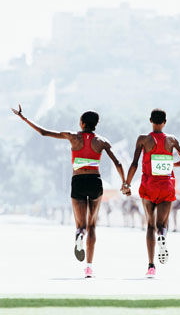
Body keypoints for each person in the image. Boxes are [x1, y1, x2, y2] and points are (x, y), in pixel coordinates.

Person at [11, 105, 125, 278]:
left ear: (82, 123)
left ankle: (79, 233)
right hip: (95, 182)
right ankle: (89, 267)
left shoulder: (73, 137)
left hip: (78, 181)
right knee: (92, 225)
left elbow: (43, 132)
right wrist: (125, 183)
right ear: (95, 125)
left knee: (81, 224)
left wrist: (24, 118)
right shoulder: (102, 141)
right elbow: (118, 163)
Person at [122, 109, 180, 278]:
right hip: (166, 185)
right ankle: (162, 235)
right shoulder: (171, 140)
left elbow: (134, 164)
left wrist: (127, 184)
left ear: (150, 120)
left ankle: (151, 266)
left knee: (150, 225)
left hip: (148, 186)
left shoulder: (143, 140)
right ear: (165, 122)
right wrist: (170, 164)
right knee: (162, 224)